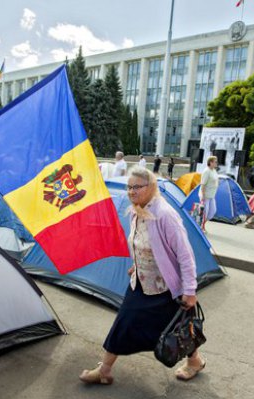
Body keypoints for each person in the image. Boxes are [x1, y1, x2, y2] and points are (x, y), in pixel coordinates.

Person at [79, 166, 203, 385]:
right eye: (129, 187)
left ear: (151, 187)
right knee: (124, 322)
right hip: (141, 282)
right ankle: (105, 370)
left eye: (137, 187)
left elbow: (186, 256)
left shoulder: (165, 215)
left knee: (178, 330)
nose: (131, 191)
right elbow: (143, 245)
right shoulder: (137, 210)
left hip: (166, 288)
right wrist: (136, 265)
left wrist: (190, 291)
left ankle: (195, 362)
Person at [200, 156, 219, 232]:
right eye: (215, 162)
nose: (217, 163)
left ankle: (202, 224)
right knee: (205, 212)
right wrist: (203, 196)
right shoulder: (206, 171)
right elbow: (203, 184)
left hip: (212, 195)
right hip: (206, 195)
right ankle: (202, 227)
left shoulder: (214, 170)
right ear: (210, 162)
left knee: (212, 212)